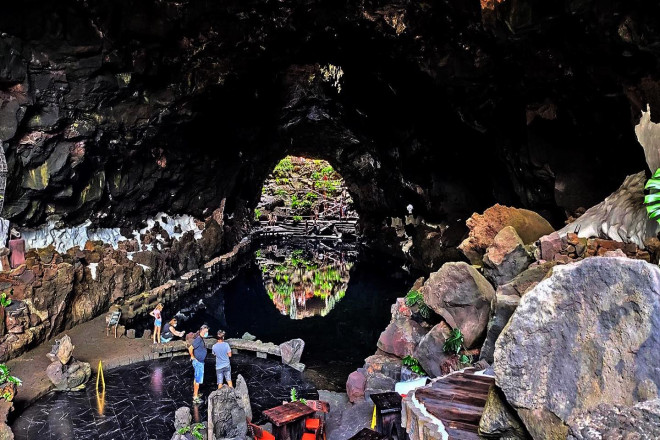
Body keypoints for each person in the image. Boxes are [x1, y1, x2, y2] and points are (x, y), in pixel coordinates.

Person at [188, 324, 209, 403]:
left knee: (196, 378)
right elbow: (190, 348)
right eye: (205, 331)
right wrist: (192, 356)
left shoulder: (200, 339)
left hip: (200, 362)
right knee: (198, 380)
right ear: (202, 331)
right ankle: (195, 397)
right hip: (198, 363)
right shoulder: (198, 339)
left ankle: (195, 393)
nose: (206, 333)